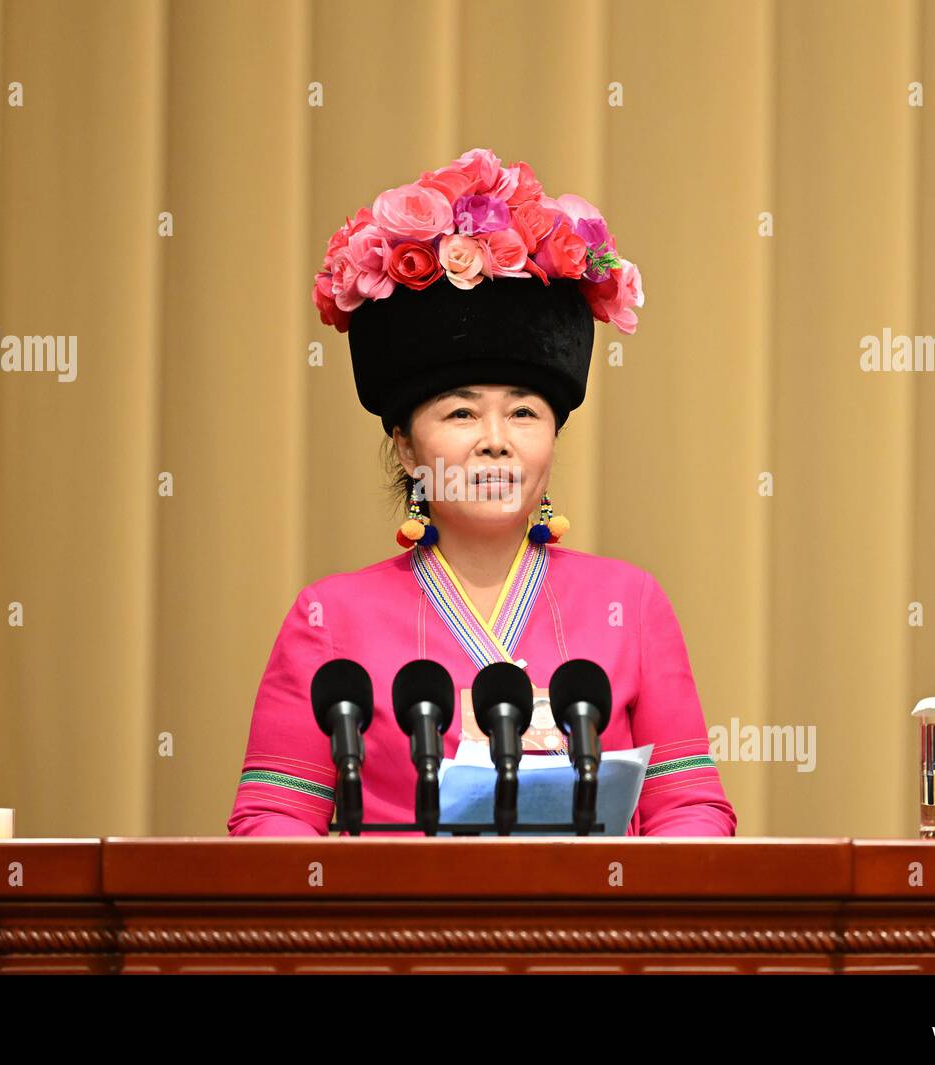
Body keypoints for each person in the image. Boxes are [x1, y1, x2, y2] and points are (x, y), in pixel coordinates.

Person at [227, 147, 736, 838]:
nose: (495, 439)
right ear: (407, 445)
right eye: (461, 413)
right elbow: (273, 819)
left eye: (524, 412)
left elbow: (691, 810)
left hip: (589, 943)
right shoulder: (328, 618)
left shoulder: (632, 603)